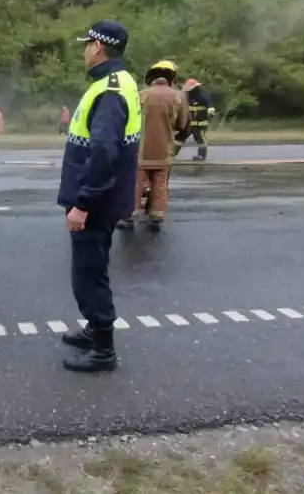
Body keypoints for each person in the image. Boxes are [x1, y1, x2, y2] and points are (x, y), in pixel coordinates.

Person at [57, 21, 140, 373]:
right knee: (94, 268)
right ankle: (95, 329)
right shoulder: (120, 81)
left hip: (96, 202)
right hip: (106, 198)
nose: (84, 50)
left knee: (88, 275)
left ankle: (104, 349)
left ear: (98, 48)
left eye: (86, 44)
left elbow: (103, 155)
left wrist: (83, 204)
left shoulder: (108, 92)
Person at [118, 60, 188, 232]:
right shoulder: (179, 97)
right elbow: (182, 125)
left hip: (140, 151)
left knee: (136, 182)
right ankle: (156, 217)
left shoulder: (140, 95)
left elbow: (126, 121)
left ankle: (129, 217)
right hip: (164, 151)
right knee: (160, 183)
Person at [175, 78, 214, 161]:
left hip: (199, 124)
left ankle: (201, 156)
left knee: (200, 139)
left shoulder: (203, 97)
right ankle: (171, 155)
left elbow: (209, 103)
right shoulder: (186, 97)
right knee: (179, 138)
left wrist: (210, 109)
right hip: (188, 124)